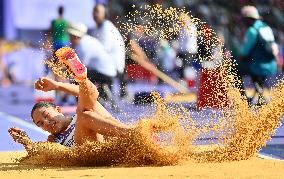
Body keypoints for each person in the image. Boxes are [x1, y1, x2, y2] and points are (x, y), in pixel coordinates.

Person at [8, 47, 133, 149]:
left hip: (115, 142)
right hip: (93, 152)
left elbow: (83, 94)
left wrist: (57, 85)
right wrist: (25, 142)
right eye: (40, 124)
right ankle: (135, 134)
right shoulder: (53, 140)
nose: (46, 123)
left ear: (58, 109)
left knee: (90, 104)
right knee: (84, 115)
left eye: (46, 115)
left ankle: (82, 79)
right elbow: (38, 152)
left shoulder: (80, 114)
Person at [68, 22, 119, 109]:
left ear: (75, 36)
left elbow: (80, 69)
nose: (69, 38)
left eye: (70, 36)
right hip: (108, 72)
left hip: (104, 74)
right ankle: (95, 97)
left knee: (75, 78)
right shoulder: (87, 40)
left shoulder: (83, 46)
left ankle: (83, 103)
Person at [237, 5, 278, 105]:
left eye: (244, 20)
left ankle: (243, 99)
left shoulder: (252, 31)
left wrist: (238, 58)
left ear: (248, 19)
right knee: (257, 78)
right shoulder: (266, 27)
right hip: (272, 66)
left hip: (257, 67)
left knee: (235, 71)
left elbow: (244, 53)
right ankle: (259, 94)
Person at [92, 4, 127, 98]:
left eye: (97, 11)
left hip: (112, 66)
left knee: (86, 72)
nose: (95, 14)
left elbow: (102, 50)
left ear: (105, 14)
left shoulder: (106, 27)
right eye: (94, 11)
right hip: (107, 64)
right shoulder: (98, 28)